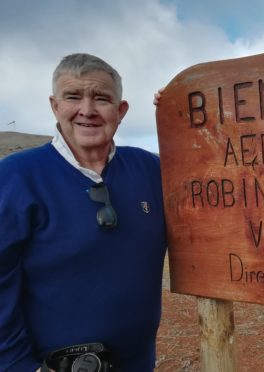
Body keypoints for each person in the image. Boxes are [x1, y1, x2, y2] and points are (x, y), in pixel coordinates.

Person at [0, 53, 167, 371]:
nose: (87, 111)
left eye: (101, 99)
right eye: (73, 97)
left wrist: (184, 113)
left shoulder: (150, 169)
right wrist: (17, 365)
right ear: (55, 106)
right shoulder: (15, 178)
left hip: (138, 363)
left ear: (121, 111)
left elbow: (210, 188)